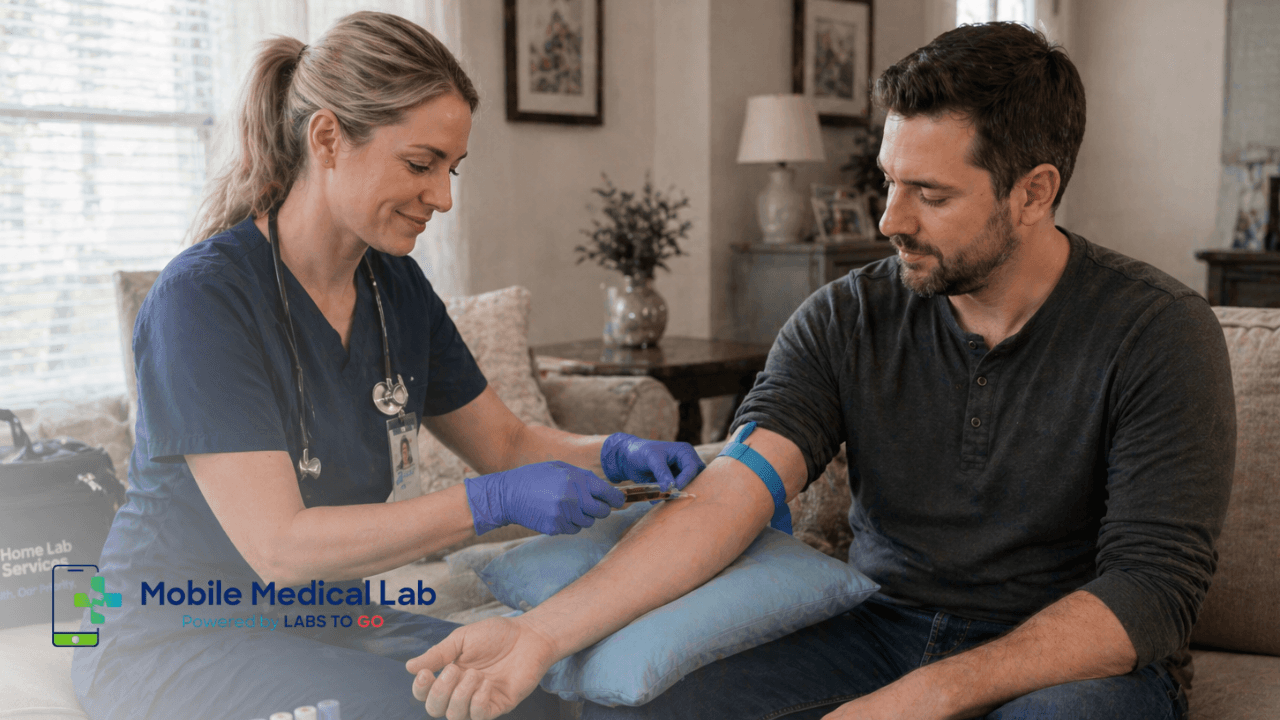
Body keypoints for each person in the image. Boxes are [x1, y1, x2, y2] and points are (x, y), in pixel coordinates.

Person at [407, 22, 1235, 720]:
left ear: (1033, 192)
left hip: (1067, 666)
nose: (890, 220)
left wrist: (922, 697)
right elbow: (731, 494)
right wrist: (538, 634)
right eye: (888, 182)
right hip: (878, 629)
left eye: (931, 195)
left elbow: (1149, 593)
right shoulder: (847, 316)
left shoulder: (1157, 333)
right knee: (656, 703)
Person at [69, 12, 703, 720]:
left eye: (451, 169)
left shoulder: (394, 286)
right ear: (327, 139)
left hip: (323, 621)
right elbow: (280, 548)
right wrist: (491, 502)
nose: (444, 197)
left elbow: (507, 443)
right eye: (420, 164)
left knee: (524, 693)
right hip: (175, 633)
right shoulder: (203, 300)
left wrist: (616, 455)